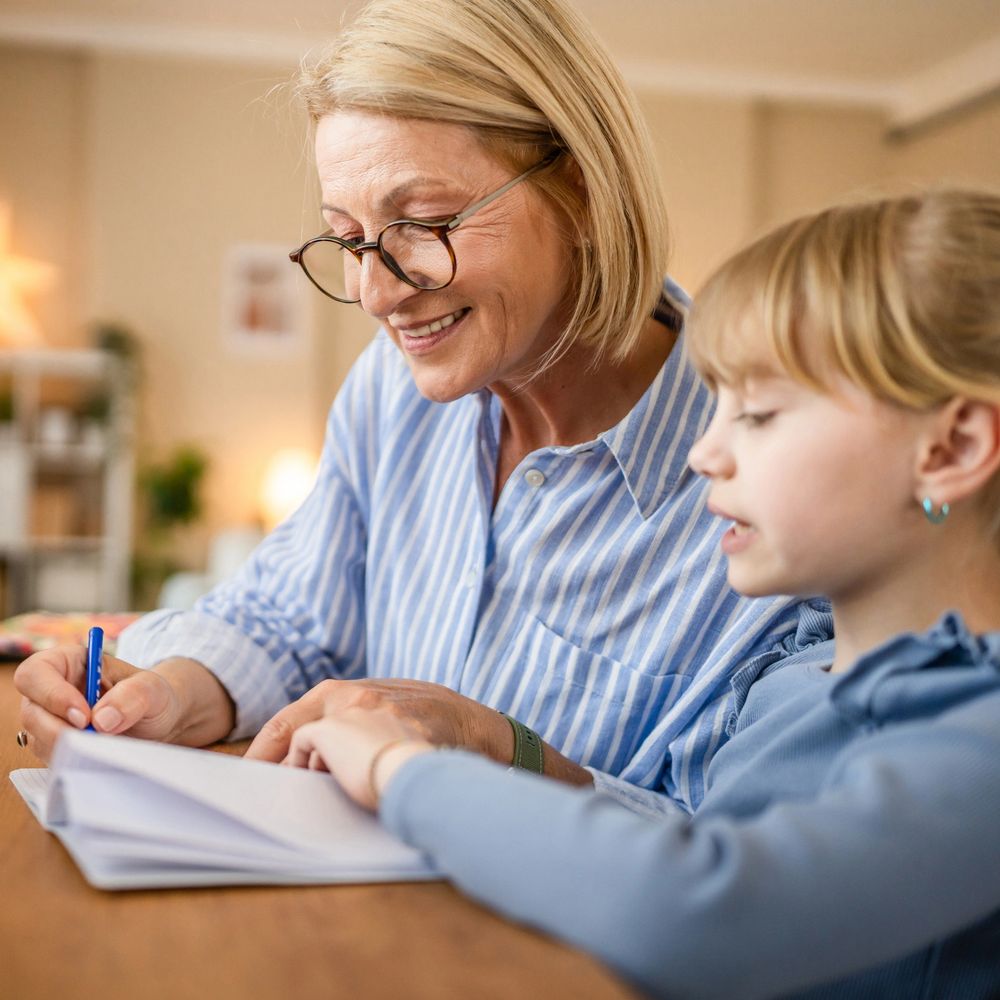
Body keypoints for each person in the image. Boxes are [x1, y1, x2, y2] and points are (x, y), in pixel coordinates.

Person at [13, 0, 829, 813]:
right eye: (351, 237)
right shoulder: (391, 392)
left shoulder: (774, 493)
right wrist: (172, 691)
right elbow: (293, 617)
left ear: (580, 190)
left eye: (424, 223)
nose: (374, 293)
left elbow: (744, 866)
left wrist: (503, 752)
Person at [281, 189, 1000, 999]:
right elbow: (676, 844)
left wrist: (396, 772)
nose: (704, 454)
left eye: (758, 415)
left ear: (952, 447)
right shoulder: (792, 688)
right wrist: (498, 744)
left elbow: (704, 907)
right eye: (714, 405)